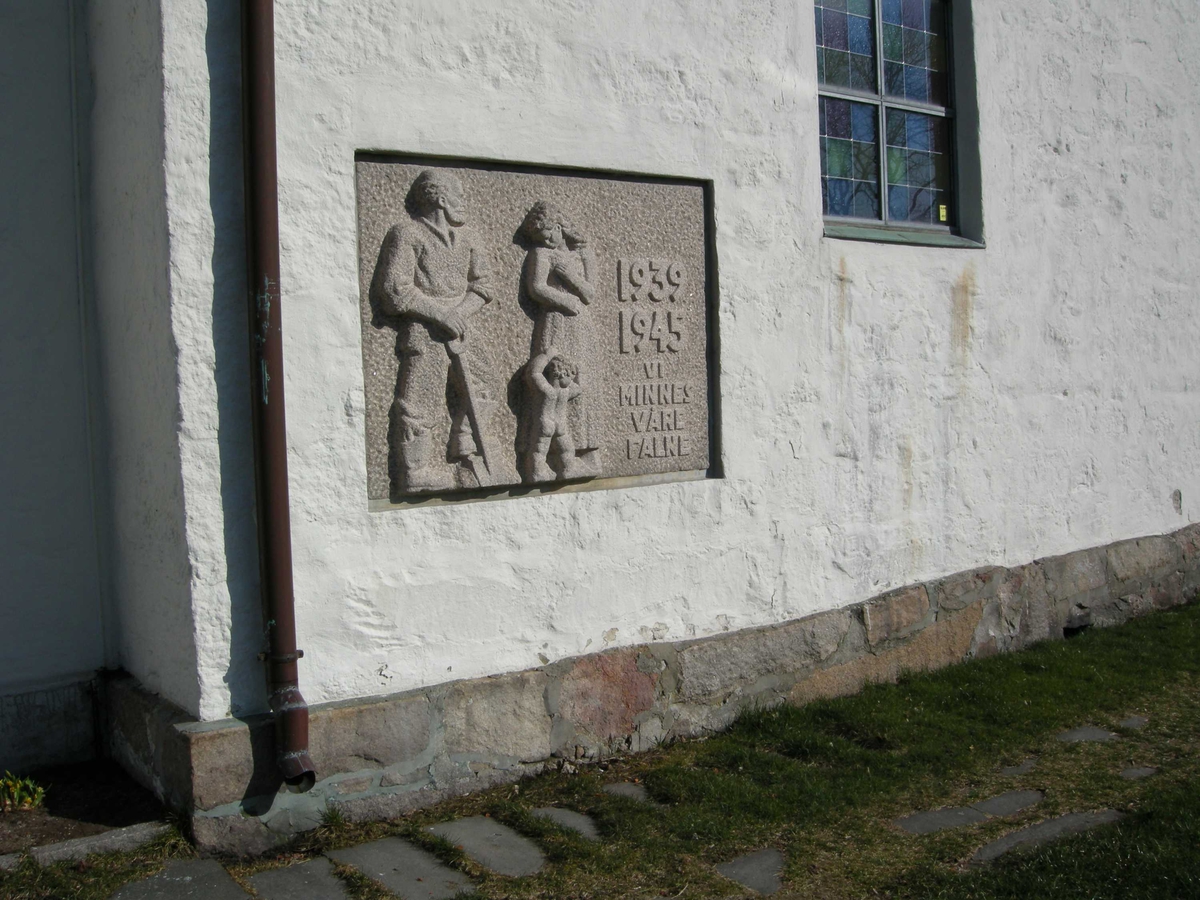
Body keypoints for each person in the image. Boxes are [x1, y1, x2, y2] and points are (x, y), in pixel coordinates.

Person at [370, 170, 496, 493]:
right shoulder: (407, 233)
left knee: (484, 384)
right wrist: (440, 315)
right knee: (419, 399)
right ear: (440, 198)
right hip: (424, 329)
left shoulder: (468, 238)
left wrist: (458, 315)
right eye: (457, 196)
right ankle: (416, 470)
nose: (462, 203)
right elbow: (394, 289)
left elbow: (484, 285)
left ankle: (465, 448)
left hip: (462, 326)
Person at [517, 201, 600, 481]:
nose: (548, 240)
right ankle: (544, 457)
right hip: (554, 320)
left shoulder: (583, 254)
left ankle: (585, 452)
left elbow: (589, 293)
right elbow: (536, 287)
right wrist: (563, 299)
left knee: (581, 383)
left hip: (579, 323)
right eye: (542, 237)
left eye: (550, 232)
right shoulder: (541, 254)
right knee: (548, 385)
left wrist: (570, 278)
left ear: (560, 226)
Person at [524, 351, 584, 482]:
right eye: (570, 376)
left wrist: (545, 355)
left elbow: (534, 373)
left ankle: (538, 473)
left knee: (539, 451)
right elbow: (579, 388)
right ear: (562, 374)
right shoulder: (566, 392)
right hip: (560, 425)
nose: (571, 380)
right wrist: (577, 372)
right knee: (567, 450)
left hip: (546, 423)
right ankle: (567, 470)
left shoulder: (547, 390)